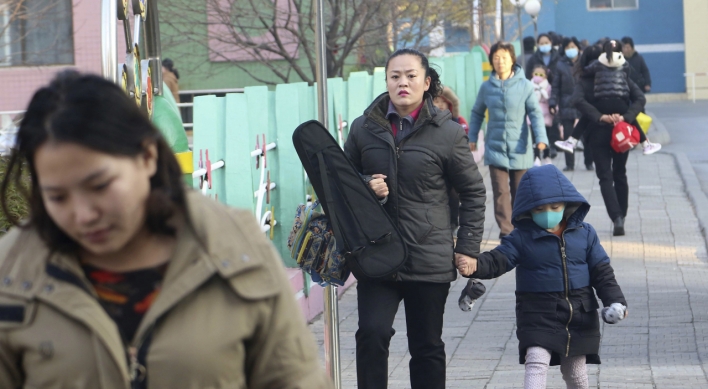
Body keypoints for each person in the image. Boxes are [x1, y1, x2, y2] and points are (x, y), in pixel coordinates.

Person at [0, 71, 331, 389]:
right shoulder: (12, 269)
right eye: (57, 196)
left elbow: (294, 379)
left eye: (99, 186)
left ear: (147, 156)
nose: (83, 214)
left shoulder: (233, 243)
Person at [343, 48, 487, 389]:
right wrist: (365, 185)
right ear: (386, 82)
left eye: (410, 76)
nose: (402, 82)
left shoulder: (448, 133)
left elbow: (474, 193)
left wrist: (467, 247)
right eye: (395, 76)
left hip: (428, 256)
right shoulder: (364, 129)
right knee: (371, 335)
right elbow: (341, 183)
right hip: (377, 255)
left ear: (426, 82)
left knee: (426, 346)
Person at [456, 164, 628, 389]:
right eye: (539, 210)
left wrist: (616, 301)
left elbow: (602, 272)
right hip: (537, 313)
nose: (548, 214)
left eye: (554, 207)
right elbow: (497, 260)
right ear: (528, 210)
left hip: (579, 315)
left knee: (575, 373)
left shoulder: (586, 234)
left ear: (566, 204)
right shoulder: (521, 238)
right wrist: (475, 264)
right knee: (536, 363)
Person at [469, 41, 548, 239]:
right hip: (495, 147)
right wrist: (472, 137)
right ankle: (506, 230)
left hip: (520, 147)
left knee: (520, 192)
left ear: (512, 60)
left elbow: (536, 114)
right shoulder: (487, 87)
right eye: (496, 58)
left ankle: (521, 227)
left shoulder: (525, 86)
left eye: (504, 58)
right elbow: (477, 112)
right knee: (500, 192)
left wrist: (541, 138)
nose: (500, 62)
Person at [571, 43, 646, 235]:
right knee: (620, 173)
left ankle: (616, 216)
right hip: (621, 132)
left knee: (605, 176)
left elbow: (577, 100)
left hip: (597, 132)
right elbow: (639, 98)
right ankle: (622, 214)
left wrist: (599, 116)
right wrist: (626, 116)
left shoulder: (585, 79)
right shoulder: (621, 75)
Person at [556, 40, 661, 156]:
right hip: (620, 103)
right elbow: (627, 73)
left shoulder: (599, 62)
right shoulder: (623, 62)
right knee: (632, 119)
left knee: (585, 118)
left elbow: (586, 71)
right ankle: (645, 144)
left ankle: (572, 141)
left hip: (602, 102)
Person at [550, 36, 593, 171]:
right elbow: (555, 86)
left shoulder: (586, 63)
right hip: (567, 104)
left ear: (578, 48)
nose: (570, 50)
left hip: (584, 104)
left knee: (588, 137)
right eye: (568, 47)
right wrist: (553, 103)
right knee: (569, 136)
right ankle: (570, 164)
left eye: (573, 47)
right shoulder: (560, 65)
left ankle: (589, 162)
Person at [529, 64, 554, 166]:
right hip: (532, 115)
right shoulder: (529, 86)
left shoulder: (548, 87)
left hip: (545, 116)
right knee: (535, 138)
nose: (538, 76)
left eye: (541, 74)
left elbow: (551, 100)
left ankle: (546, 155)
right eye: (536, 74)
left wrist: (553, 109)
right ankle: (536, 157)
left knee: (546, 137)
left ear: (545, 76)